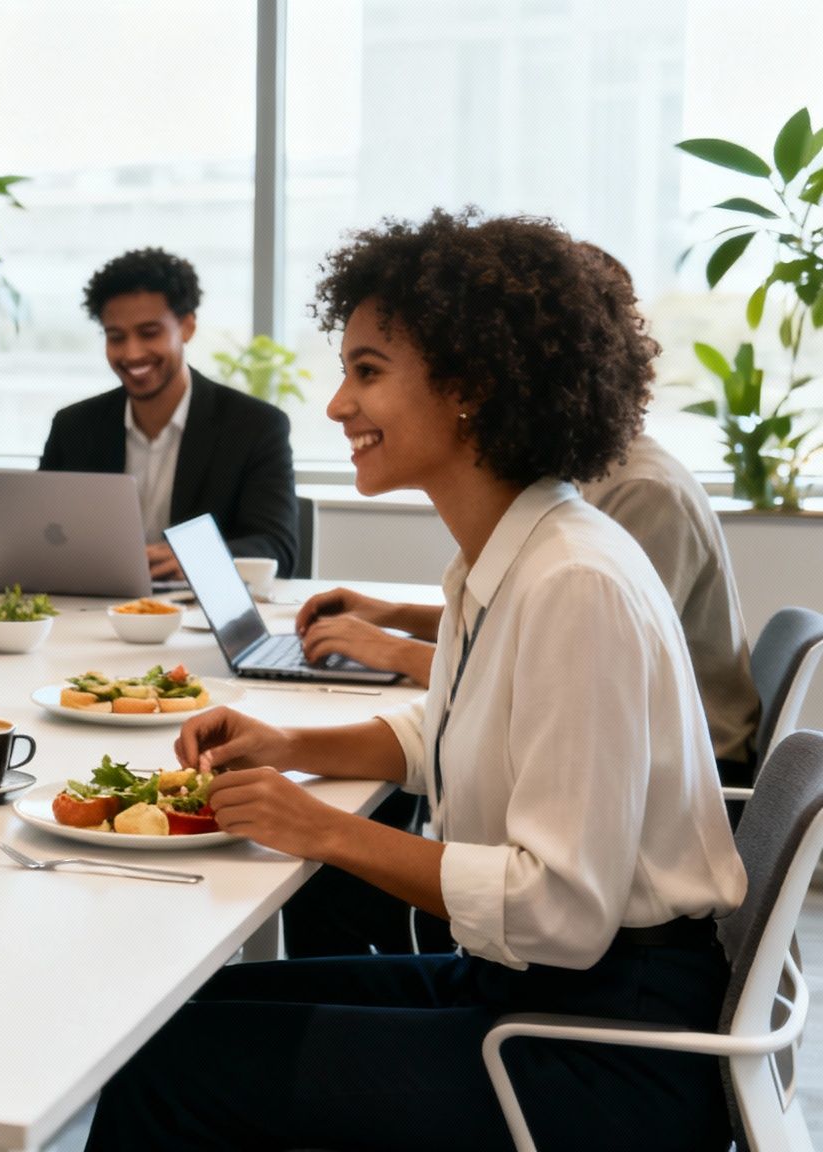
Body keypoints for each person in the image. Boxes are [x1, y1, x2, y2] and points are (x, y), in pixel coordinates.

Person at [86, 210, 745, 1151]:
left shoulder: (576, 583)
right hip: (527, 991)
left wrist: (319, 825)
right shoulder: (509, 550)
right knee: (169, 1021)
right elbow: (450, 728)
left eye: (367, 372)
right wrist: (288, 746)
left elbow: (558, 910)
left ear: (472, 388)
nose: (337, 406)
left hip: (602, 1046)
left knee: (172, 1067)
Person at [38, 247, 298, 579]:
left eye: (149, 333)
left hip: (198, 616)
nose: (132, 352)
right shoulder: (73, 427)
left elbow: (277, 548)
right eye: (116, 337)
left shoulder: (255, 426)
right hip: (95, 608)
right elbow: (41, 536)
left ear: (187, 327)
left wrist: (198, 558)